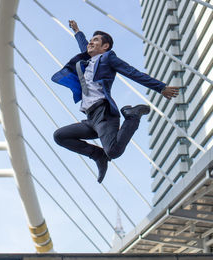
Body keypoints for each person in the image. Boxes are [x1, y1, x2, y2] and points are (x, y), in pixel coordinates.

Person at [52, 20, 179, 183]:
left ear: (105, 47)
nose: (91, 42)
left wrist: (160, 87)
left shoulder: (108, 58)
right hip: (91, 119)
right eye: (91, 40)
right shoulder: (88, 59)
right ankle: (98, 155)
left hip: (104, 114)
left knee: (113, 151)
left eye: (96, 40)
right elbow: (84, 46)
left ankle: (132, 116)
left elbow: (133, 73)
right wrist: (77, 31)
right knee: (60, 136)